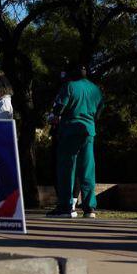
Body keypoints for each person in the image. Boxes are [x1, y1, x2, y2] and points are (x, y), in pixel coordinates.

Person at [48, 61, 102, 219]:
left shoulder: (69, 86)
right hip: (89, 131)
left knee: (67, 168)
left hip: (70, 130)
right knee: (87, 170)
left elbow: (59, 108)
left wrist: (54, 117)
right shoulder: (96, 89)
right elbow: (99, 111)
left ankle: (65, 206)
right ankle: (89, 208)